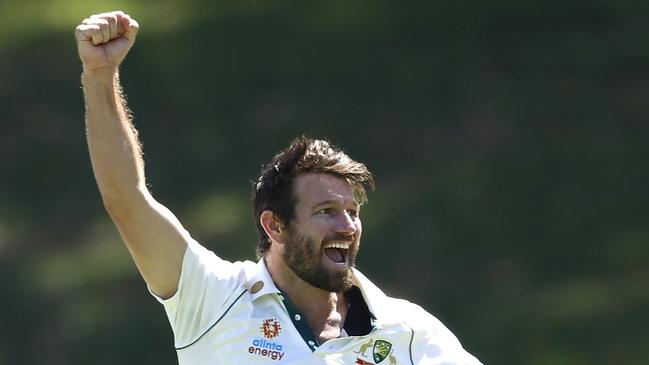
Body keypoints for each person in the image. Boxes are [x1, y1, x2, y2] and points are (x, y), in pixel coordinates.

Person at [75, 11, 483, 365]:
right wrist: (99, 76)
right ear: (275, 226)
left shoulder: (408, 331)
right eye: (325, 211)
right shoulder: (213, 298)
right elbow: (127, 199)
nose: (347, 225)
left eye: (353, 213)